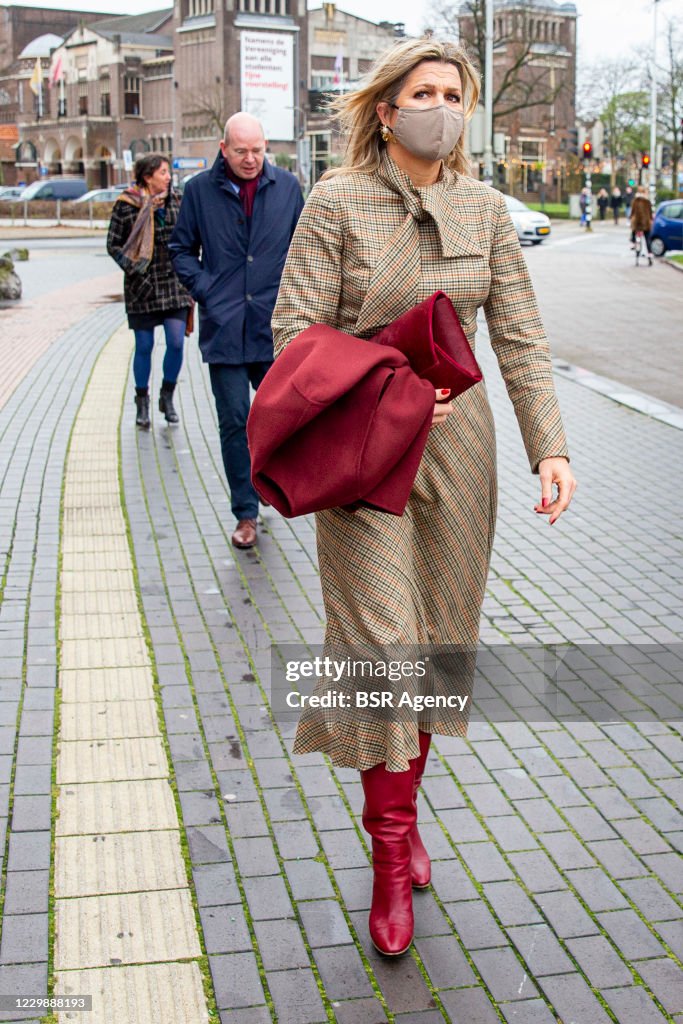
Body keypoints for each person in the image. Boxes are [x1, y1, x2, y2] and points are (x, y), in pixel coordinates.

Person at [271, 37, 576, 957]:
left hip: (459, 454)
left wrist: (549, 448)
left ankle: (400, 816)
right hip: (365, 452)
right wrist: (389, 383)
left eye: (453, 93)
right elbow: (293, 328)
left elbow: (519, 339)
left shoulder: (484, 208)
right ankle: (389, 857)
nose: (440, 106)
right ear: (384, 109)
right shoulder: (334, 201)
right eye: (424, 92)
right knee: (378, 646)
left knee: (437, 641)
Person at [170, 113, 304, 549]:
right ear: (223, 148)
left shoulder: (286, 188)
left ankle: (272, 485)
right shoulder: (198, 192)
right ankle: (245, 512)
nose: (251, 160)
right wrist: (208, 290)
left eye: (258, 150)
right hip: (225, 331)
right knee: (233, 423)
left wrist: (295, 299)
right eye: (242, 151)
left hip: (273, 327)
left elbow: (305, 250)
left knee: (278, 417)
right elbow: (181, 250)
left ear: (267, 147)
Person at [107, 153, 193, 428]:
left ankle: (166, 396)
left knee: (177, 341)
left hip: (173, 284)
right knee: (144, 346)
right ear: (147, 176)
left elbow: (191, 237)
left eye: (168, 172)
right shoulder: (127, 205)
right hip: (141, 286)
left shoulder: (177, 201)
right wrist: (134, 269)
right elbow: (114, 244)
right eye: (163, 172)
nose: (169, 177)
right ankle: (141, 400)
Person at [630, 185, 654, 264]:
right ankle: (650, 254)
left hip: (637, 223)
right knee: (647, 240)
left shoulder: (635, 201)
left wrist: (631, 218)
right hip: (646, 223)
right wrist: (651, 219)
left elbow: (632, 212)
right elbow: (650, 212)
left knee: (633, 232)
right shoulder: (647, 201)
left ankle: (633, 243)